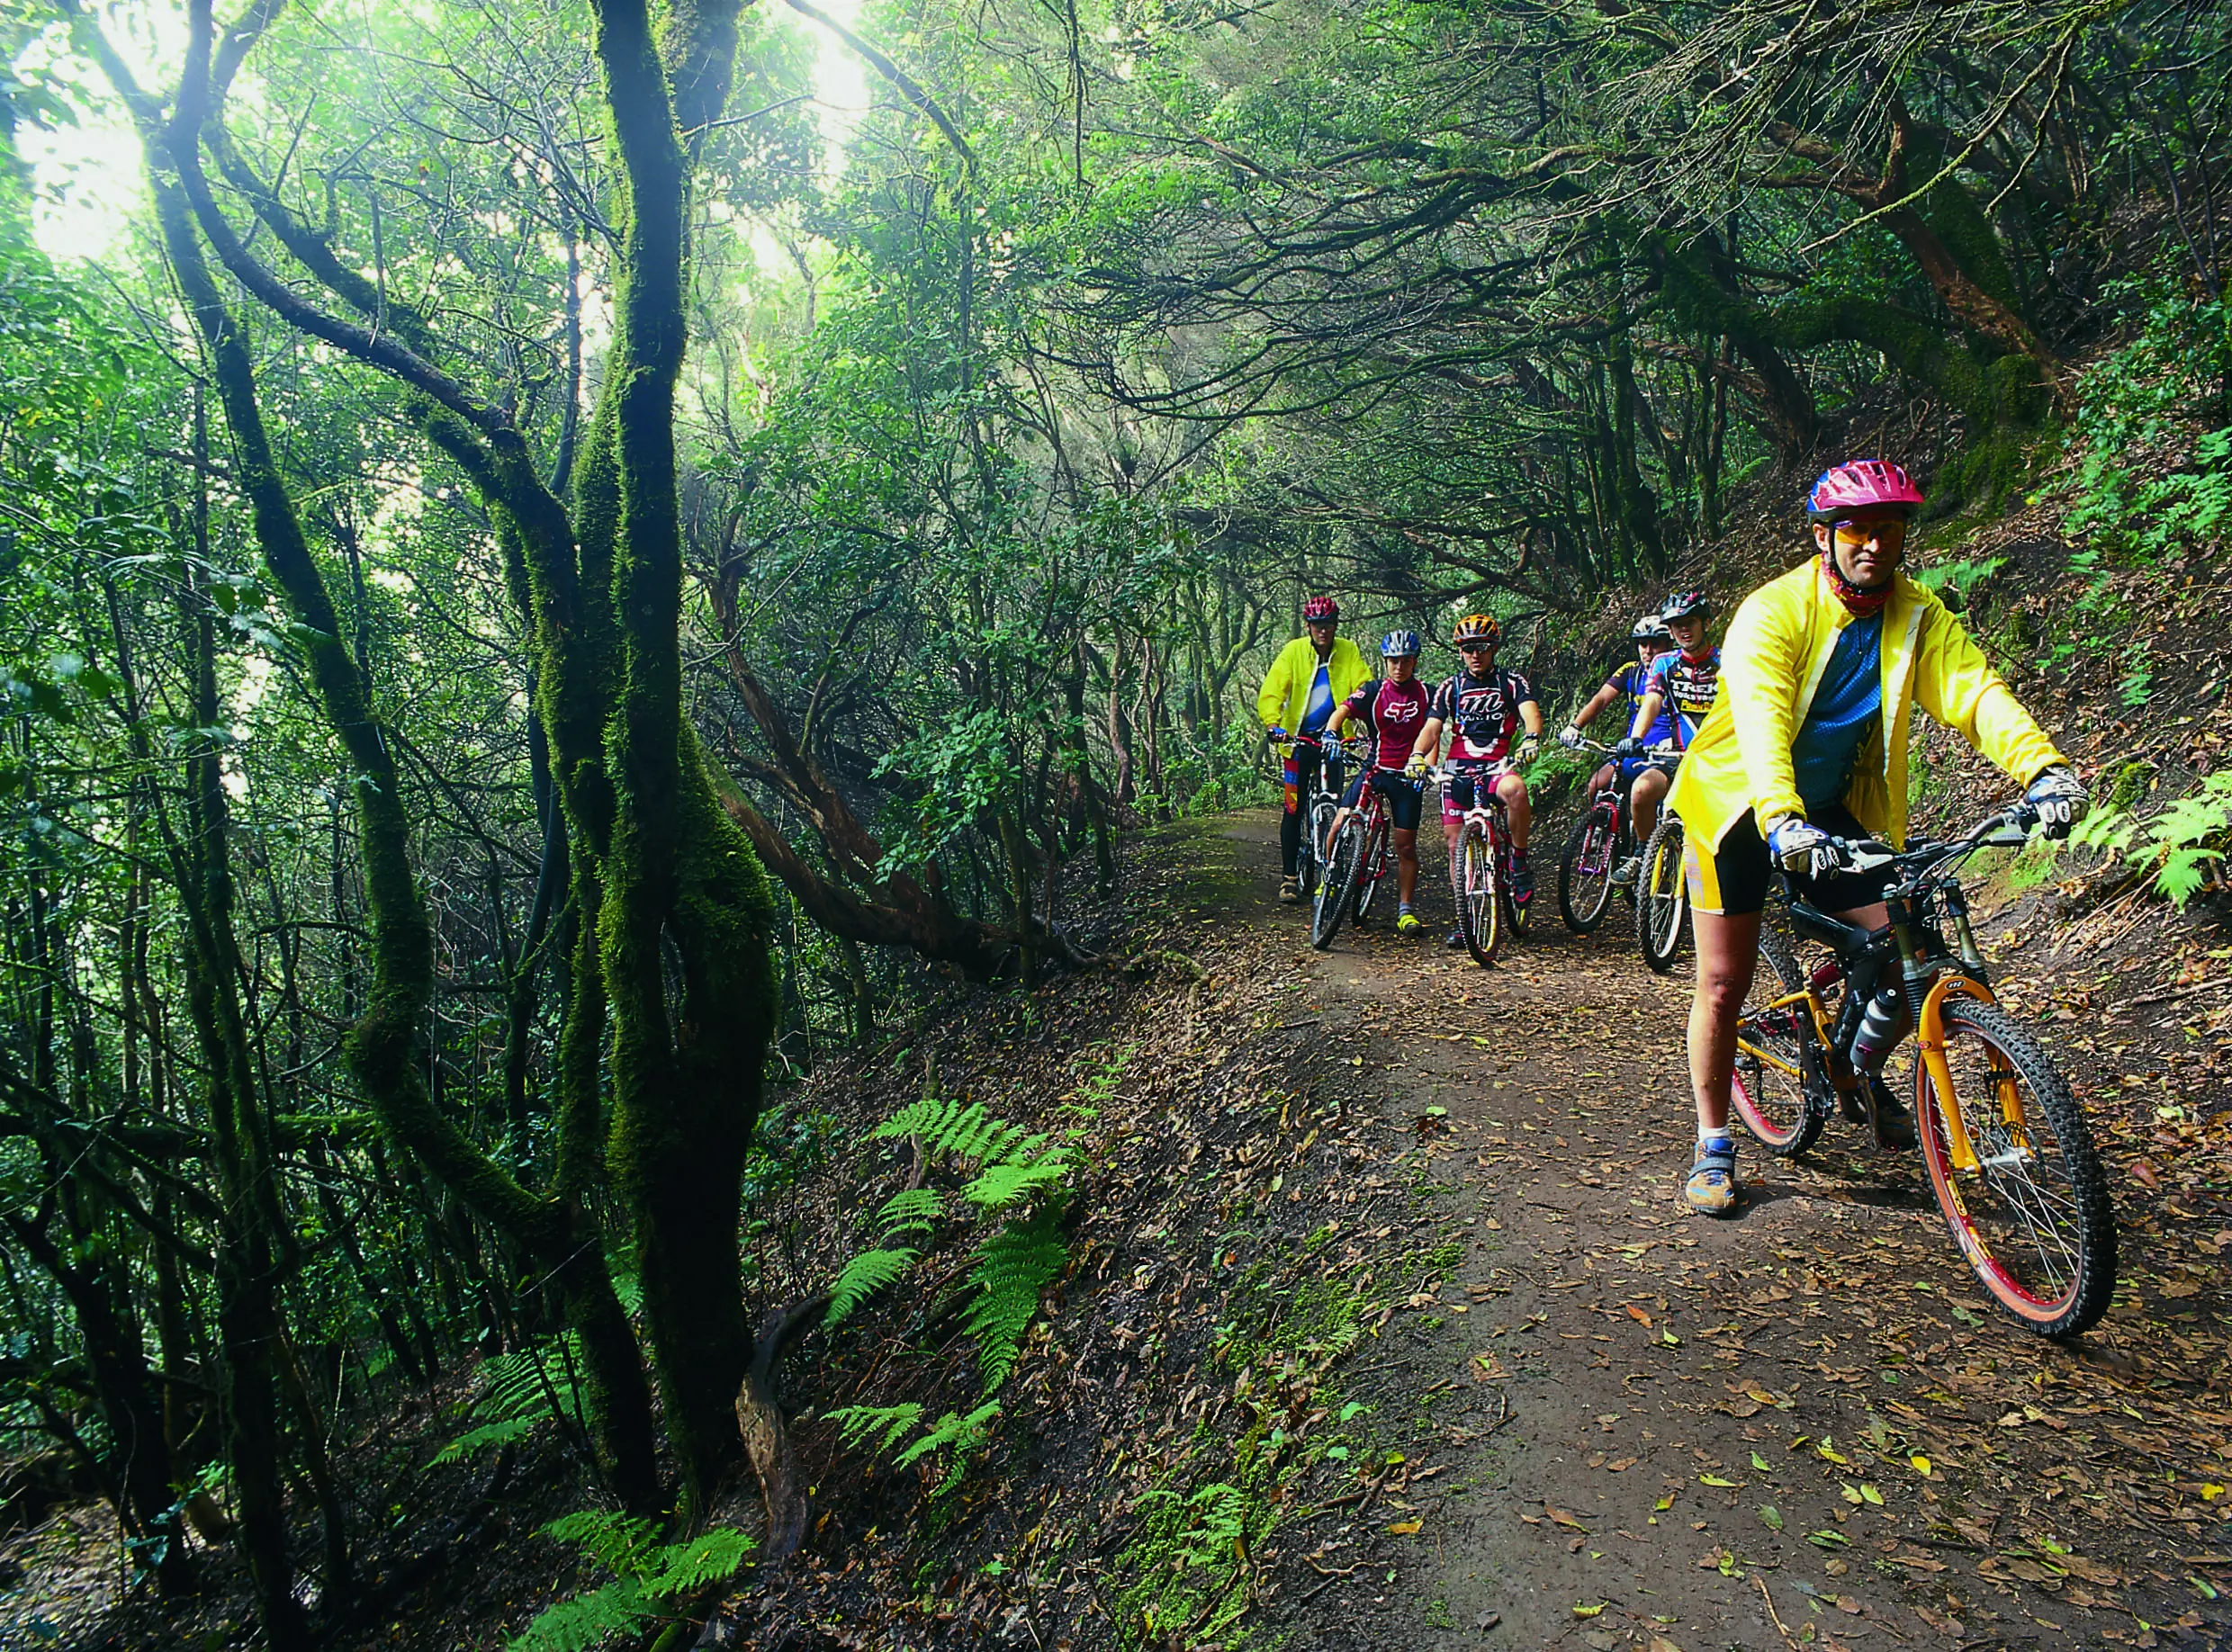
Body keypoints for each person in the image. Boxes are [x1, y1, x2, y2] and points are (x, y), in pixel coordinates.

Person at [1664, 460, 2087, 1217]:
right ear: (1824, 537)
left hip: (1821, 805)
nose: (1874, 544)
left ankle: (1855, 1072)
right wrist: (1781, 819)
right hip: (1737, 805)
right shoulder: (1773, 611)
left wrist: (2043, 770)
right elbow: (1762, 721)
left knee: (1902, 948)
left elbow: (1975, 692)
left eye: (1889, 530)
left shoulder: (1916, 614)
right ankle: (1714, 1143)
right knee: (1724, 983)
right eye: (1858, 529)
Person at [1407, 613, 1543, 946]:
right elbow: (1432, 728)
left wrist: (1531, 739)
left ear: (1493, 647)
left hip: (1497, 766)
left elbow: (1530, 714)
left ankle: (1519, 861)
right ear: (1460, 652)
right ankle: (1465, 919)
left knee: (1516, 790)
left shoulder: (1511, 682)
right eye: (1468, 648)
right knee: (1456, 846)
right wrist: (1416, 755)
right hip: (1458, 770)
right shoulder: (1450, 687)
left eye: (1481, 647)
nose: (1475, 654)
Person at [1258, 595, 1369, 902]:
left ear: (1335, 626)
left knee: (1333, 806)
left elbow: (1364, 686)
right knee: (1293, 810)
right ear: (1309, 626)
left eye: (1329, 625)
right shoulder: (1294, 652)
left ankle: (1331, 871)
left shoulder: (1348, 651)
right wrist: (1273, 724)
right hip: (1297, 743)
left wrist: (1364, 720)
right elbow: (1272, 690)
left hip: (1334, 743)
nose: (1324, 631)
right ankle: (1290, 877)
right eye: (1318, 625)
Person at [1325, 632, 1433, 932]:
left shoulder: (1427, 693)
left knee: (1406, 847)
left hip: (1407, 775)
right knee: (1339, 823)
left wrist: (1427, 764)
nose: (1399, 666)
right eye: (1393, 660)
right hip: (1375, 768)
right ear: (1385, 662)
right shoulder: (1373, 690)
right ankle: (1330, 877)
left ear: (1414, 661)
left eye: (1406, 660)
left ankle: (1405, 910)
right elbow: (1343, 710)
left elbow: (1433, 730)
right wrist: (1331, 733)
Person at [1561, 616, 1675, 879]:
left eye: (1655, 643)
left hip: (1662, 752)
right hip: (1630, 749)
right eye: (1642, 644)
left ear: (1668, 643)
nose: (1648, 650)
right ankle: (1609, 837)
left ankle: (1642, 851)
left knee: (1648, 796)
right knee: (1597, 785)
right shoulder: (1630, 671)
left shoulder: (1673, 670)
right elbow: (1601, 699)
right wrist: (1575, 726)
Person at [1616, 589, 1721, 867]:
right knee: (1640, 792)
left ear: (1706, 624)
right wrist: (1636, 738)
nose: (1684, 629)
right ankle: (1642, 856)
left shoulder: (1726, 661)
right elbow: (1652, 701)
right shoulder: (1664, 663)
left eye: (1690, 621)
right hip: (1676, 758)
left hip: (1718, 760)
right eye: (1677, 624)